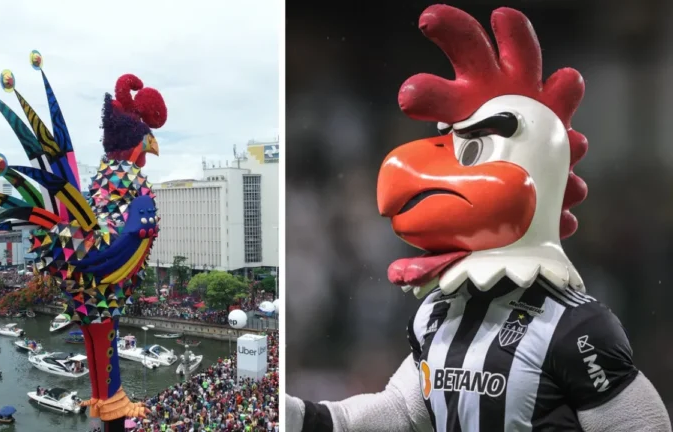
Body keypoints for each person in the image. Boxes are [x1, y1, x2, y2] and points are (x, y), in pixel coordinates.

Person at [285, 5, 671, 432]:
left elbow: (643, 425)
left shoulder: (577, 328)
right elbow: (403, 410)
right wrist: (303, 418)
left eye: (470, 151)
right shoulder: (438, 312)